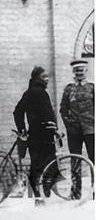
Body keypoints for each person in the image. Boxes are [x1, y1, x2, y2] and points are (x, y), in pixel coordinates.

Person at [13, 66, 57, 205]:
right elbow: (49, 115)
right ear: (36, 78)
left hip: (37, 134)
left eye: (47, 76)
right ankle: (42, 195)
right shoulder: (39, 93)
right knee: (46, 164)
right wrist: (54, 129)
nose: (47, 79)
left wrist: (22, 129)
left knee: (38, 165)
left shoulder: (30, 93)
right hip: (43, 135)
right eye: (44, 77)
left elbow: (17, 112)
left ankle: (38, 196)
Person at [60, 59, 94, 199]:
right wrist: (69, 124)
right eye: (77, 70)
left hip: (91, 129)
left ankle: (94, 189)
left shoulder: (92, 88)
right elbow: (63, 109)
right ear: (73, 72)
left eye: (81, 70)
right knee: (75, 160)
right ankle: (76, 192)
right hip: (74, 131)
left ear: (86, 71)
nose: (79, 73)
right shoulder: (69, 89)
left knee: (94, 158)